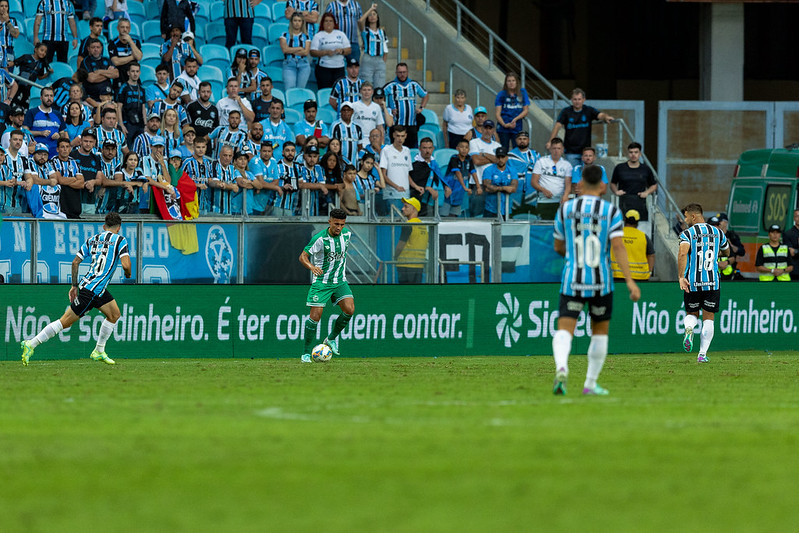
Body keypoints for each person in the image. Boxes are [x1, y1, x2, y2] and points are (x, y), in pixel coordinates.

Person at [552, 165, 640, 396]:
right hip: (601, 282)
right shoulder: (611, 211)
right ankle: (590, 384)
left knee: (565, 328)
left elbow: (558, 246)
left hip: (572, 279)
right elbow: (619, 247)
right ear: (602, 186)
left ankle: (562, 366)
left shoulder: (565, 209)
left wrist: (572, 256)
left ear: (579, 184)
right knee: (600, 332)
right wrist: (630, 282)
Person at [20, 212, 132, 366]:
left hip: (93, 287)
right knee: (65, 322)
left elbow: (75, 262)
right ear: (119, 228)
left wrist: (74, 285)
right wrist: (127, 273)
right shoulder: (121, 240)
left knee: (114, 314)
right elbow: (126, 265)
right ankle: (31, 343)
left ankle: (99, 350)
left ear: (104, 226)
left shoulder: (92, 240)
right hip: (92, 290)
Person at [299, 208, 355, 362]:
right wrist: (312, 267)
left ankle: (330, 339)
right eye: (336, 224)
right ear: (329, 221)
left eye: (342, 224)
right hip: (322, 282)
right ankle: (305, 353)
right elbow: (303, 256)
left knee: (349, 309)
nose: (339, 227)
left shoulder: (347, 235)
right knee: (315, 316)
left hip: (339, 281)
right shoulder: (319, 239)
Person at [678, 203, 730, 363]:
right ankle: (702, 354)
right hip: (712, 282)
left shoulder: (687, 234)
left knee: (691, 314)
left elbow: (682, 253)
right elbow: (727, 251)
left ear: (693, 216)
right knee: (708, 318)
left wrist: (681, 276)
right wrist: (719, 254)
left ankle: (689, 328)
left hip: (693, 282)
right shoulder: (718, 232)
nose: (685, 220)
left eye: (686, 216)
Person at [548, 88, 614, 167]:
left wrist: (606, 117)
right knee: (572, 176)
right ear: (571, 100)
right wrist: (551, 142)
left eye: (579, 99)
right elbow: (557, 126)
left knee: (585, 177)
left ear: (583, 99)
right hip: (570, 152)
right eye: (575, 99)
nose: (577, 101)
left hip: (586, 152)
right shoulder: (566, 111)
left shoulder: (588, 110)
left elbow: (600, 115)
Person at [610, 142, 657, 236]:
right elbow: (612, 183)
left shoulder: (645, 169)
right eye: (631, 152)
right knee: (623, 231)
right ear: (628, 153)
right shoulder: (620, 168)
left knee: (641, 231)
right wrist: (616, 191)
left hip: (640, 202)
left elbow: (654, 185)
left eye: (636, 152)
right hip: (623, 202)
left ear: (640, 154)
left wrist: (647, 192)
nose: (633, 155)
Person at [384, 63, 428, 149]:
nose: (402, 74)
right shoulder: (391, 86)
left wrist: (421, 107)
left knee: (411, 150)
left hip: (411, 125)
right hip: (396, 125)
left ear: (407, 72)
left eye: (404, 72)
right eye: (400, 72)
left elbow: (425, 95)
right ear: (396, 73)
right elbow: (378, 97)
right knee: (395, 150)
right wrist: (388, 109)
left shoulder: (414, 85)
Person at [530, 137, 572, 221]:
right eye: (554, 148)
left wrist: (566, 195)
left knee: (559, 225)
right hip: (544, 201)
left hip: (560, 202)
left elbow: (568, 183)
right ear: (550, 149)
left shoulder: (567, 165)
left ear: (562, 150)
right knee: (544, 226)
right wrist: (543, 190)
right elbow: (533, 182)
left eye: (559, 148)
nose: (556, 151)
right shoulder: (541, 161)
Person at [468, 119, 501, 217]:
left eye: (490, 128)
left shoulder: (497, 145)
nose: (487, 130)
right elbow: (476, 161)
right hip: (478, 183)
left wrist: (484, 154)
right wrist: (493, 158)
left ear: (493, 130)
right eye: (485, 128)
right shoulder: (474, 142)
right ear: (481, 129)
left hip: (493, 183)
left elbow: (499, 161)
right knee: (476, 214)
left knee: (492, 214)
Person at [610, 209, 654, 281]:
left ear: (624, 220)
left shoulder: (616, 235)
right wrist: (649, 272)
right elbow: (651, 255)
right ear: (637, 222)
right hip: (640, 276)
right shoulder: (643, 236)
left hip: (618, 275)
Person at [310, 12, 351, 90]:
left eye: (330, 21)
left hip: (339, 68)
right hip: (324, 68)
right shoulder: (318, 35)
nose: (328, 23)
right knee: (324, 91)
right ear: (323, 23)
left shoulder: (341, 34)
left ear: (334, 23)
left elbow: (348, 50)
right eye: (326, 21)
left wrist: (341, 51)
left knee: (339, 91)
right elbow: (312, 52)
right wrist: (325, 52)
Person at [24, 86, 65, 158]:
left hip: (54, 154)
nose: (49, 98)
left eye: (51, 96)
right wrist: (40, 133)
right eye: (46, 96)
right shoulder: (32, 112)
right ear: (41, 98)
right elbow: (24, 131)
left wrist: (58, 136)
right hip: (36, 153)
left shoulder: (58, 114)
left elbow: (63, 134)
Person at [394, 197, 428, 283]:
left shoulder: (408, 225)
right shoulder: (423, 226)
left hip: (405, 264)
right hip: (419, 265)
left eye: (406, 206)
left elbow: (400, 245)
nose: (402, 209)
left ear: (413, 209)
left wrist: (394, 256)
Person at [379, 125, 413, 211]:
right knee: (394, 221)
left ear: (406, 136)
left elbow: (407, 174)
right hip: (391, 194)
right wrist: (396, 187)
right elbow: (383, 174)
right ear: (393, 135)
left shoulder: (407, 151)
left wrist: (415, 186)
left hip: (405, 194)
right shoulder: (386, 150)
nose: (400, 139)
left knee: (403, 222)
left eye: (402, 136)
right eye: (398, 136)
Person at [440, 138, 475, 218]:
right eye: (462, 147)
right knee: (443, 216)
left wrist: (478, 186)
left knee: (454, 216)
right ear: (457, 148)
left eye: (466, 147)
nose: (464, 149)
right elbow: (458, 173)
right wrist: (465, 187)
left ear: (469, 149)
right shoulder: (454, 158)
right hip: (448, 191)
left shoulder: (469, 159)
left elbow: (473, 172)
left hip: (458, 193)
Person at [12, 42, 52, 110]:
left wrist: (48, 73)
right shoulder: (26, 57)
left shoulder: (41, 64)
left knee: (24, 108)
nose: (43, 53)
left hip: (27, 89)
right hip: (18, 86)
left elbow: (40, 77)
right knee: (14, 106)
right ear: (36, 49)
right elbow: (14, 63)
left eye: (45, 52)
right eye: (41, 50)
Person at [494, 73, 529, 151]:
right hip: (503, 127)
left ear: (517, 82)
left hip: (516, 127)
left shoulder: (522, 92)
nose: (511, 83)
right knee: (503, 151)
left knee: (517, 151)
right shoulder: (501, 94)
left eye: (513, 80)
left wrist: (515, 119)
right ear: (506, 83)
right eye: (509, 81)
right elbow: (497, 114)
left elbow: (526, 110)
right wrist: (504, 124)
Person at [116, 61, 146, 147]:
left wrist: (145, 125)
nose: (135, 74)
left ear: (140, 73)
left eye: (137, 71)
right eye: (132, 71)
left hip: (140, 124)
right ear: (128, 73)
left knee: (140, 147)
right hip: (127, 124)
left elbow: (143, 108)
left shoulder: (142, 89)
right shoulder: (123, 88)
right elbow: (118, 107)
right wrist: (121, 124)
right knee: (128, 148)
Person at [358, 3, 388, 88]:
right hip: (368, 59)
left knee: (379, 86)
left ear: (377, 17)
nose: (372, 16)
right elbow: (360, 21)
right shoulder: (365, 31)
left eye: (374, 14)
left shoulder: (382, 31)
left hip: (379, 59)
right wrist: (371, 9)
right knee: (366, 85)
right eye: (370, 15)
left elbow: (385, 49)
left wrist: (382, 62)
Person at [482, 146, 517, 218]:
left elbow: (513, 188)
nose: (500, 159)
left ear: (506, 158)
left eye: (503, 157)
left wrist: (496, 188)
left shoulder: (512, 170)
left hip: (507, 208)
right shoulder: (488, 170)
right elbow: (487, 187)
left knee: (506, 229)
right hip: (491, 209)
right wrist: (505, 188)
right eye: (498, 157)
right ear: (495, 158)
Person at [280, 11, 312, 91]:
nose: (297, 23)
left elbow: (305, 52)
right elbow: (285, 50)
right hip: (289, 64)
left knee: (301, 90)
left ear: (302, 23)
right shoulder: (284, 35)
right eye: (295, 20)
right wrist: (300, 48)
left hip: (303, 65)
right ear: (291, 22)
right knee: (289, 89)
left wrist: (290, 50)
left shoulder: (307, 36)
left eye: (299, 21)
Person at [80, 38, 119, 102]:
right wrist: (108, 73)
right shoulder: (85, 62)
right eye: (93, 47)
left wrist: (100, 72)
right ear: (88, 49)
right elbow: (91, 79)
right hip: (92, 98)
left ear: (101, 48)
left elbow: (116, 74)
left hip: (108, 96)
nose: (96, 49)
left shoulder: (107, 60)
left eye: (98, 47)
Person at [108, 18, 143, 87]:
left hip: (134, 76)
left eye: (127, 27)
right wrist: (132, 57)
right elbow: (116, 62)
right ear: (118, 28)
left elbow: (139, 57)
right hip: (120, 77)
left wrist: (130, 41)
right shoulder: (113, 43)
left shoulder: (135, 42)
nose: (125, 29)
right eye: (122, 27)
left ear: (129, 29)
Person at [0, 0, 21, 69]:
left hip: (8, 49)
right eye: (1, 6)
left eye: (6, 6)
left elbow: (16, 35)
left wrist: (7, 21)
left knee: (8, 74)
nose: (4, 8)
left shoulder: (12, 20)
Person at [784, 208, 799, 281]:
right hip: (795, 272)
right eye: (797, 216)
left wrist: (796, 250)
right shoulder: (788, 234)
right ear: (794, 218)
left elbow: (794, 251)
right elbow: (791, 253)